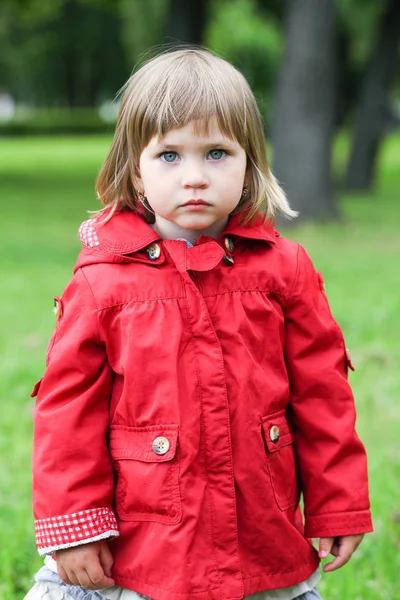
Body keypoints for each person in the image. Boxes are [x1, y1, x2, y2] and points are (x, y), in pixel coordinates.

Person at [25, 48, 372, 600]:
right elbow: (68, 414)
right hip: (143, 543)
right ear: (134, 170)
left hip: (259, 533)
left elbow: (323, 396)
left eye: (216, 153)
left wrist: (338, 503)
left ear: (249, 164)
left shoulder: (283, 271)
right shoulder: (103, 283)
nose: (194, 178)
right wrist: (76, 525)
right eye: (169, 155)